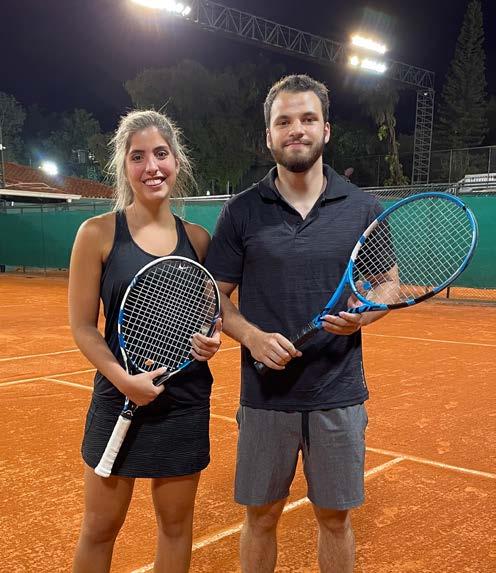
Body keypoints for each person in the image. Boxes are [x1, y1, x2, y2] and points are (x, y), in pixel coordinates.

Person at [205, 75, 388, 572]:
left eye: (308, 118)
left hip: (339, 394)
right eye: (283, 121)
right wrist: (251, 336)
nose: (296, 129)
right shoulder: (241, 211)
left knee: (334, 520)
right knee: (261, 517)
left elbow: (388, 283)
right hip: (265, 397)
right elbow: (214, 295)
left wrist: (365, 313)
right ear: (269, 135)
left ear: (325, 129)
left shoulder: (363, 207)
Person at [69, 109, 222, 573]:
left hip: (184, 403)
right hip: (118, 398)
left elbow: (207, 318)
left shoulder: (198, 240)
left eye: (161, 154)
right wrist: (123, 381)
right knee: (99, 529)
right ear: (124, 166)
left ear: (177, 161)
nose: (151, 166)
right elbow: (83, 327)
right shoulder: (96, 234)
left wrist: (209, 340)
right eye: (138, 157)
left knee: (175, 527)